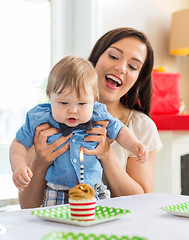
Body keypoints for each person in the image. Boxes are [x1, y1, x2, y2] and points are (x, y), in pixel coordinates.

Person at [9, 27, 162, 209]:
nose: (121, 68)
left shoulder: (141, 127)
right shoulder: (44, 120)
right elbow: (28, 207)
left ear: (139, 78)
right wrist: (40, 162)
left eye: (133, 66)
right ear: (96, 58)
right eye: (114, 56)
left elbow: (143, 204)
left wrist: (106, 154)